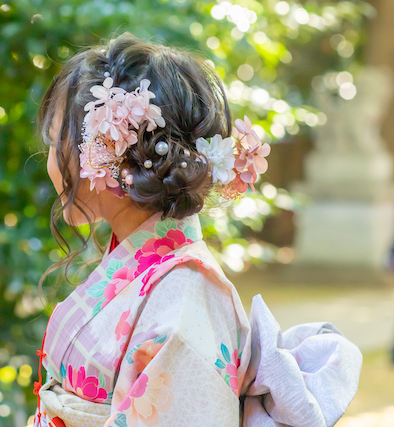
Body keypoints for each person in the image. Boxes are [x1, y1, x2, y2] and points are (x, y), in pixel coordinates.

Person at [34, 32, 362, 427]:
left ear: (109, 153)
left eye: (56, 143)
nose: (50, 160)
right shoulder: (156, 272)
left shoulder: (186, 293)